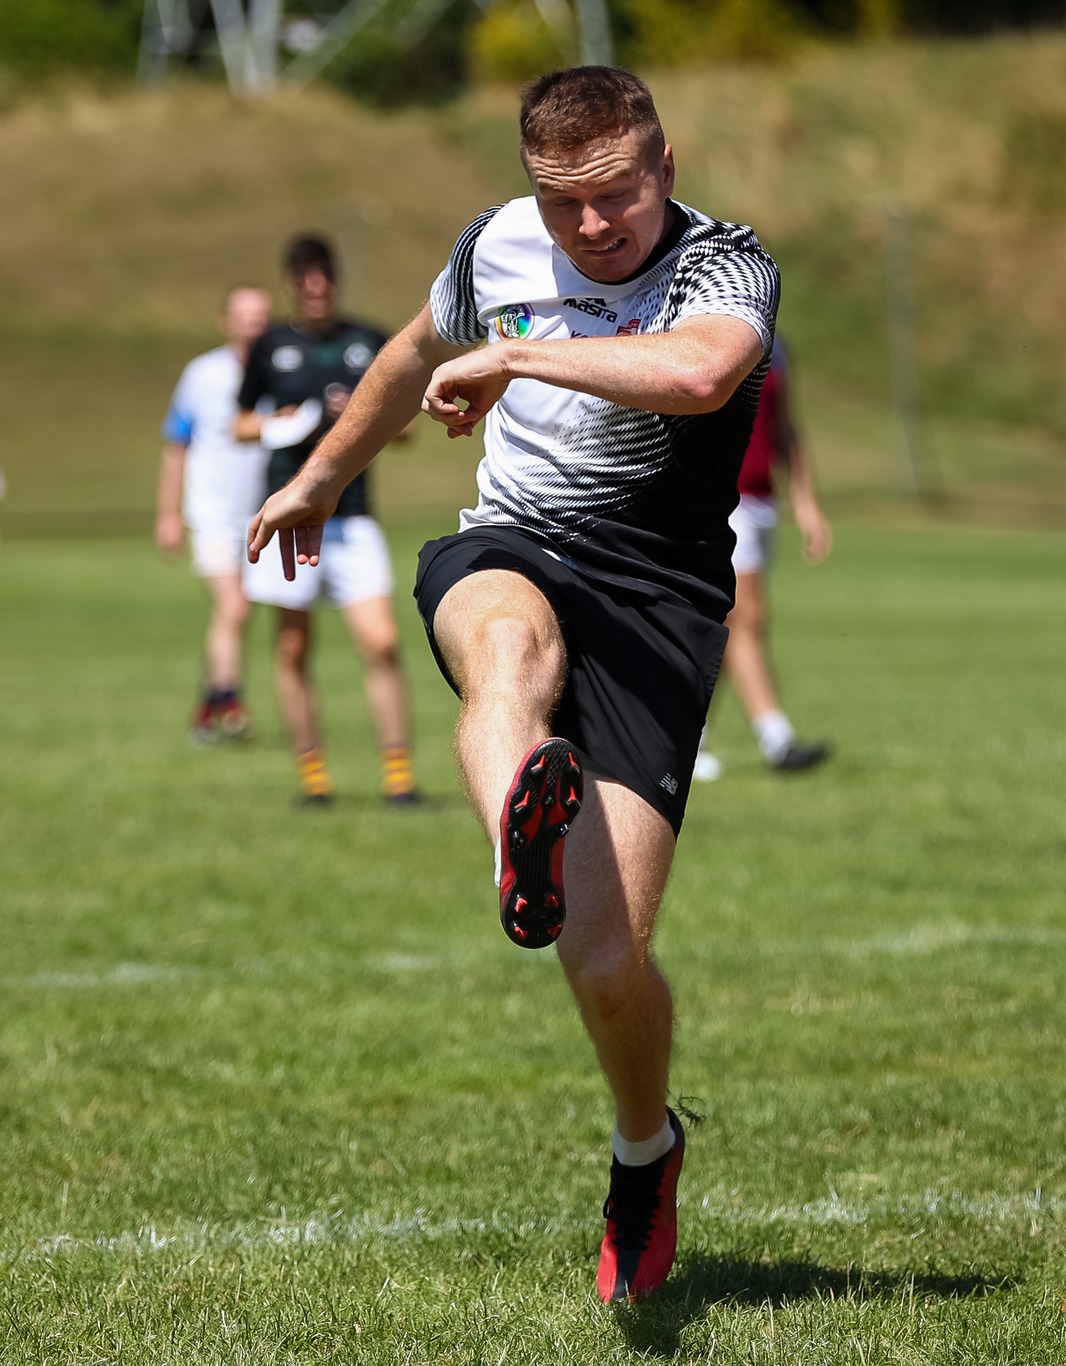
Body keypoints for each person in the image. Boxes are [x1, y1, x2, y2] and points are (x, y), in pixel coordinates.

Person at [246, 66, 779, 1304]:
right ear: (529, 187)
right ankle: (520, 829)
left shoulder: (724, 263)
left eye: (614, 196)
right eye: (561, 202)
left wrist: (524, 360)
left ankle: (645, 1153)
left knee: (606, 970)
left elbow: (701, 374)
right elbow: (406, 356)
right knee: (505, 651)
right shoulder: (494, 244)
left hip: (658, 599)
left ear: (663, 166)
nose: (592, 227)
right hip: (516, 547)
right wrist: (321, 478)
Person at [236, 235, 418, 806]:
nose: (315, 287)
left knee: (382, 642)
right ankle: (313, 778)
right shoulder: (269, 347)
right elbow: (237, 424)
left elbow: (406, 427)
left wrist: (361, 416)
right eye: (304, 277)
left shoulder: (367, 341)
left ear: (336, 280)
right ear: (292, 283)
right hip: (288, 511)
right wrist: (278, 422)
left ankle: (398, 777)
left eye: (324, 276)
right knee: (293, 649)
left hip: (352, 514)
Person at [693, 336, 832, 782]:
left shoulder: (779, 345)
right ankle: (777, 739)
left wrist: (806, 504)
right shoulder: (707, 331)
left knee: (725, 629)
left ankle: (686, 740)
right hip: (722, 500)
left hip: (762, 503)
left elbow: (786, 428)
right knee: (745, 618)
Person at [156, 285, 272, 742]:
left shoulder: (279, 370)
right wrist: (168, 513)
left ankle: (209, 705)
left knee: (238, 614)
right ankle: (230, 703)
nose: (252, 323)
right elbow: (176, 445)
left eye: (260, 314)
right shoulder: (201, 374)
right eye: (243, 314)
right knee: (233, 606)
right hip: (210, 513)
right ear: (225, 321)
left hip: (261, 514)